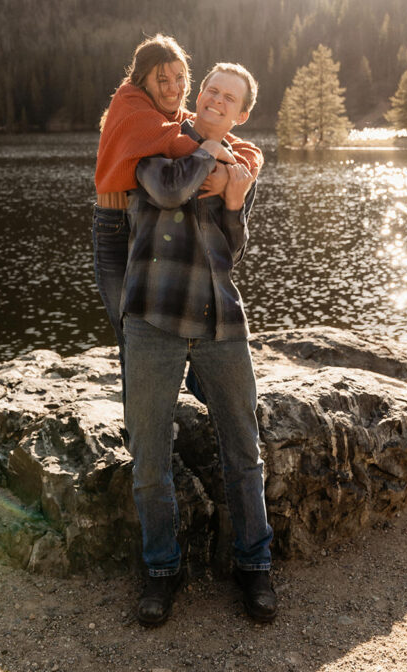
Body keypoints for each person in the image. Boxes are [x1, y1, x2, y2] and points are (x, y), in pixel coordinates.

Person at [121, 62, 276, 627]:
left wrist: (235, 201)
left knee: (244, 447)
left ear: (242, 112)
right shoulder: (160, 136)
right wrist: (211, 151)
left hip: (219, 318)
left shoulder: (238, 163)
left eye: (229, 97)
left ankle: (253, 565)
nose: (215, 98)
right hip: (154, 317)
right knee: (149, 456)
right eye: (210, 88)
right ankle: (162, 569)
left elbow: (231, 251)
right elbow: (165, 189)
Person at [92, 35, 263, 393]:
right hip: (115, 230)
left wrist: (240, 166)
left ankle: (198, 374)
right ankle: (140, 432)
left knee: (175, 309)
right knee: (131, 337)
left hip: (141, 227)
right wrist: (212, 153)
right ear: (143, 80)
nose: (173, 88)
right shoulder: (133, 105)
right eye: (162, 80)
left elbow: (246, 147)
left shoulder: (172, 114)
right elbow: (179, 142)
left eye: (180, 78)